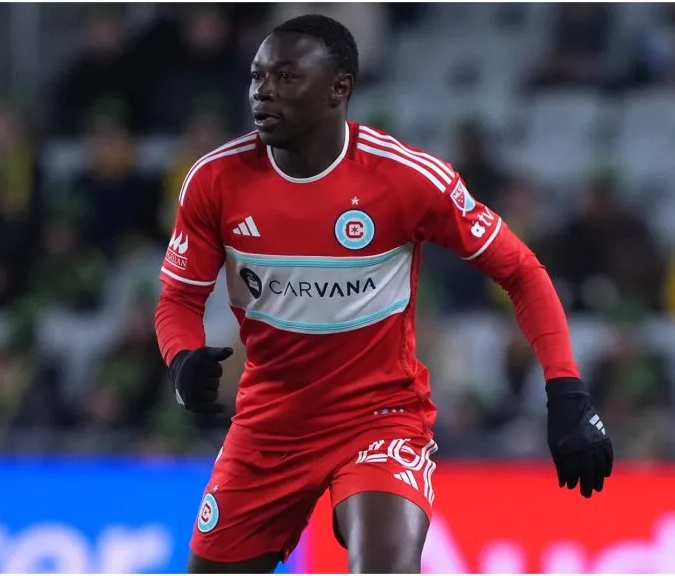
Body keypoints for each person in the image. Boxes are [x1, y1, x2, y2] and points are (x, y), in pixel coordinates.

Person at [154, 14, 614, 574]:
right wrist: (181, 361)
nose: (263, 92)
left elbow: (523, 272)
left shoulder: (405, 179)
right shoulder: (215, 181)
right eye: (257, 77)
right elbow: (178, 299)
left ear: (339, 89)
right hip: (269, 425)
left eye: (286, 77)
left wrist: (567, 393)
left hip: (379, 420)